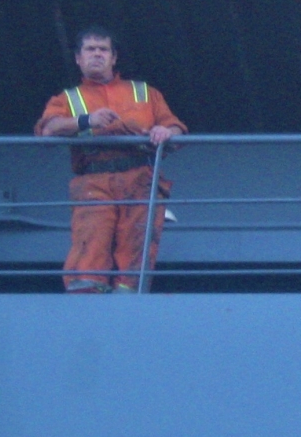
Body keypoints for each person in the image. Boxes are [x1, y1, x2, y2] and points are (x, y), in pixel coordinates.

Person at [35, 27, 187, 293]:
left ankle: (128, 297)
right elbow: (48, 130)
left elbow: (175, 128)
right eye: (90, 49)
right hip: (94, 181)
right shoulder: (68, 99)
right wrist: (86, 120)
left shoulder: (145, 93)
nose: (97, 54)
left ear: (114, 58)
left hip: (139, 179)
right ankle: (87, 297)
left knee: (138, 242)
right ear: (78, 59)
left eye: (103, 49)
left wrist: (165, 132)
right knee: (91, 239)